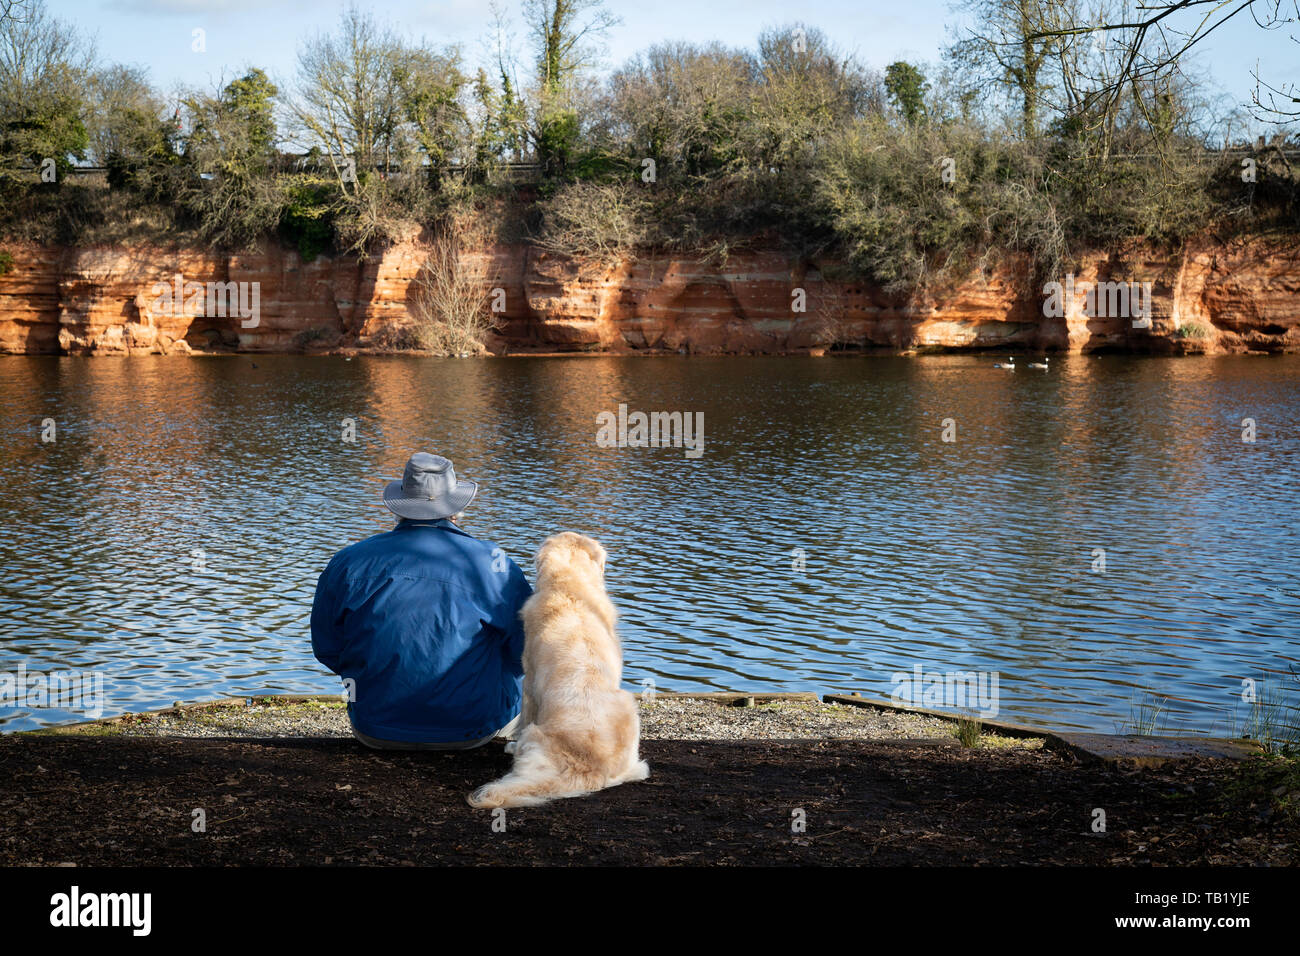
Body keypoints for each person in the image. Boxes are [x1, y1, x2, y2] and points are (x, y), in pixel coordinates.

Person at [311, 452, 532, 750]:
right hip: (472, 730)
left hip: (375, 728)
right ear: (456, 509)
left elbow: (327, 648)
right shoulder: (494, 564)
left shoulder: (348, 561)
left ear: (399, 507)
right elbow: (526, 653)